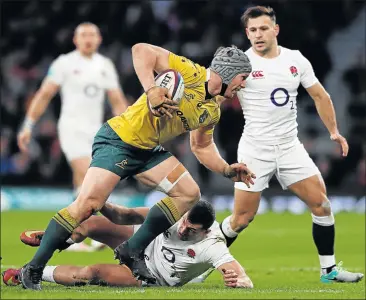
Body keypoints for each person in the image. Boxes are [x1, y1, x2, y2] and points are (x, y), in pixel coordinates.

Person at [19, 43, 256, 290]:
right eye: (242, 78)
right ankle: (33, 270)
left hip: (148, 151)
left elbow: (202, 147)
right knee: (88, 205)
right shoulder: (190, 72)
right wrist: (152, 90)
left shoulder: (211, 109)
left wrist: (227, 170)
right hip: (119, 141)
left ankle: (132, 249)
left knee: (189, 193)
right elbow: (141, 50)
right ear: (228, 73)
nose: (244, 84)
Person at [216, 6, 363, 283]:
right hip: (255, 149)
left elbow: (320, 95)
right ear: (247, 33)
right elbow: (216, 100)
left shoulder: (296, 60)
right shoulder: (241, 65)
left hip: (289, 147)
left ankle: (329, 271)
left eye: (262, 28)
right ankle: (198, 264)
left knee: (321, 205)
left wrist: (334, 132)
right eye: (252, 30)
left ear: (275, 29)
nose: (258, 35)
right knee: (241, 219)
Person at [17, 22, 129, 252]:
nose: (88, 38)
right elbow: (44, 94)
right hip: (71, 129)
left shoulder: (105, 65)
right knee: (89, 174)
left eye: (92, 35)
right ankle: (91, 230)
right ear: (75, 40)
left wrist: (130, 128)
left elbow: (117, 100)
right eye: (83, 35)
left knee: (85, 183)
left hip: (97, 132)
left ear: (99, 40)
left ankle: (71, 234)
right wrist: (28, 125)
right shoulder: (64, 63)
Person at [3, 201, 253, 288]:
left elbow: (240, 275)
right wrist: (101, 203)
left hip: (151, 274)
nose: (183, 228)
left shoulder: (213, 244)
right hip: (140, 242)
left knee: (90, 273)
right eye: (185, 222)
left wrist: (240, 281)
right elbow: (130, 215)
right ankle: (56, 238)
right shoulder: (177, 214)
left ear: (206, 231)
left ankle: (27, 271)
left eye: (191, 230)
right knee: (89, 223)